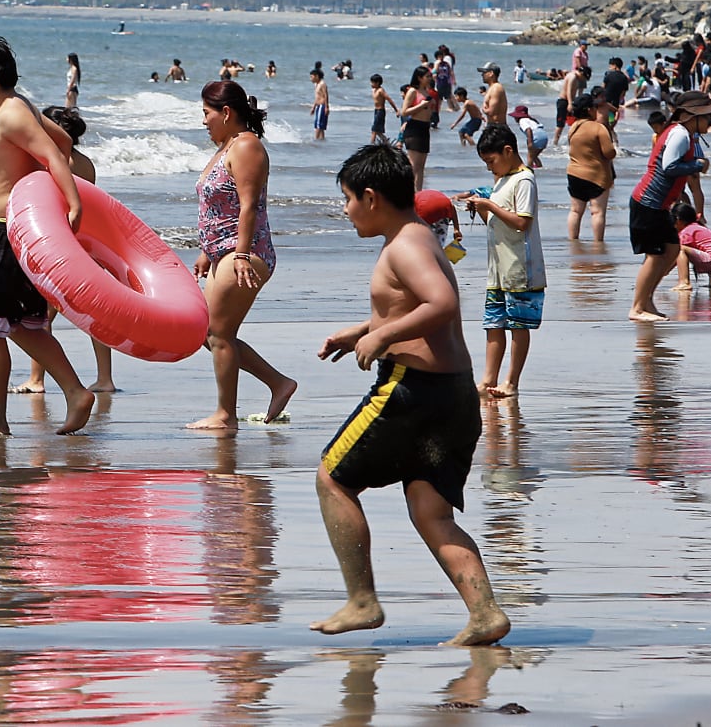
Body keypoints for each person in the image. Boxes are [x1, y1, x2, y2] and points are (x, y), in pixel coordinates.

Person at [315, 143, 509, 646]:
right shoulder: (418, 237)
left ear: (372, 197)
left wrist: (381, 339)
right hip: (453, 395)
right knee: (431, 510)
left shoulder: (402, 245)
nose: (345, 209)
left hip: (413, 390)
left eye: (348, 198)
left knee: (332, 478)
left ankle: (362, 600)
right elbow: (409, 306)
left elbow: (442, 303)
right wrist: (362, 331)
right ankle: (485, 614)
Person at [0, 33, 95, 437]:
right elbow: (64, 141)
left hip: (8, 232)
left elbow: (53, 155)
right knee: (22, 324)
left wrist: (73, 205)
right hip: (17, 230)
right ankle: (75, 392)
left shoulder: (12, 115)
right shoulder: (19, 108)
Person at [189, 81, 299, 431]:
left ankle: (226, 415)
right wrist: (209, 252)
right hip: (225, 252)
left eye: (206, 114)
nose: (203, 121)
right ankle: (278, 384)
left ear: (226, 112)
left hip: (246, 253)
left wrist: (238, 254)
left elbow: (249, 206)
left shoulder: (247, 146)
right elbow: (219, 207)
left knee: (215, 333)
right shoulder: (227, 146)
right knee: (214, 334)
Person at [17, 106, 119, 395]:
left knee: (42, 315)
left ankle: (36, 379)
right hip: (86, 244)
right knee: (94, 315)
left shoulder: (52, 162)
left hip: (60, 245)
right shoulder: (87, 164)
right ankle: (105, 378)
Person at [458, 124, 545, 400]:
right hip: (498, 269)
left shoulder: (524, 180)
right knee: (493, 323)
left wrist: (490, 206)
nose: (489, 168)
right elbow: (495, 223)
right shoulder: (502, 179)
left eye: (491, 161)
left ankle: (511, 382)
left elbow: (521, 222)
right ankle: (488, 379)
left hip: (521, 268)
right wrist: (481, 207)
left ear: (508, 151)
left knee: (519, 326)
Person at [627, 91, 711, 322]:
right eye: (707, 117)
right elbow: (669, 166)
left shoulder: (686, 134)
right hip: (648, 203)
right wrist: (697, 165)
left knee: (671, 250)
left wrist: (694, 164)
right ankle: (637, 307)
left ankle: (647, 300)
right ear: (692, 116)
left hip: (660, 206)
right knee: (654, 256)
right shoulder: (680, 134)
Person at [564, 97, 616, 242]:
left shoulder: (573, 128)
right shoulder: (598, 128)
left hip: (574, 173)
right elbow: (609, 152)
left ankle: (573, 240)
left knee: (575, 211)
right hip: (596, 176)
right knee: (597, 212)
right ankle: (598, 243)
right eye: (594, 108)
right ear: (589, 110)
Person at [671, 201, 711, 292]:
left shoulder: (687, 231)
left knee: (681, 249)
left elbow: (675, 256)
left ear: (678, 220)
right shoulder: (699, 227)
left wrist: (662, 271)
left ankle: (684, 282)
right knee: (702, 249)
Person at [398, 67, 435, 190]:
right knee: (414, 165)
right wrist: (421, 105)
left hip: (425, 128)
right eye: (427, 76)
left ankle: (418, 193)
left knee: (421, 167)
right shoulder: (412, 91)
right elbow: (404, 111)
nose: (430, 79)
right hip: (414, 128)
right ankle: (406, 192)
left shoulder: (426, 91)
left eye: (430, 76)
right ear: (419, 78)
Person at [510, 105, 549, 169]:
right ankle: (539, 167)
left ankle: (529, 168)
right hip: (544, 136)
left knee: (530, 156)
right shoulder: (531, 120)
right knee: (534, 156)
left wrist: (530, 142)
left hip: (536, 136)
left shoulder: (522, 121)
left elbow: (528, 129)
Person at [368, 74, 391, 145]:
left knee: (374, 130)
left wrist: (396, 110)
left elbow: (389, 99)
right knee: (378, 131)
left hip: (380, 111)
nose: (371, 84)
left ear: (377, 83)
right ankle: (387, 142)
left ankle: (371, 145)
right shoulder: (374, 90)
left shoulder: (381, 90)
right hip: (376, 111)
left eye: (372, 82)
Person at [310, 68, 330, 141]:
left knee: (319, 125)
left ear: (317, 76)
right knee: (320, 125)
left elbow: (326, 95)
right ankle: (321, 140)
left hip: (322, 106)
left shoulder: (322, 84)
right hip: (318, 106)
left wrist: (326, 107)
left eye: (312, 77)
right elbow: (317, 97)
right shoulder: (317, 84)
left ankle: (316, 140)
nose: (311, 79)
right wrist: (314, 107)